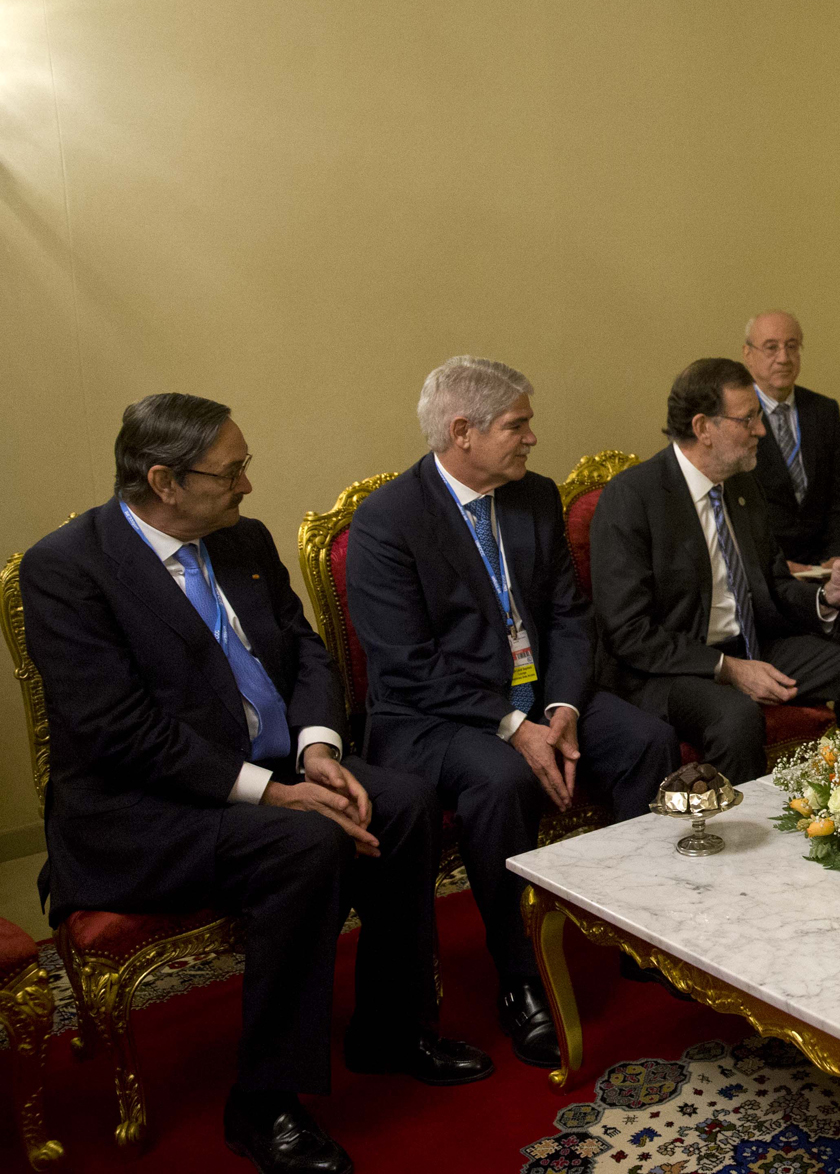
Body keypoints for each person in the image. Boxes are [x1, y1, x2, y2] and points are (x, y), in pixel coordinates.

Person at [20, 394, 489, 1174]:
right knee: (305, 842)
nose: (246, 485)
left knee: (399, 801)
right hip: (141, 810)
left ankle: (391, 1029)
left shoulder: (242, 541)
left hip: (271, 766)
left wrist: (316, 750)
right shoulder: (68, 570)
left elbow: (303, 648)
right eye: (232, 470)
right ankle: (263, 1101)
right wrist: (270, 793)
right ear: (164, 479)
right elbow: (117, 730)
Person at [343, 357, 680, 1069]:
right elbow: (405, 664)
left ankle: (635, 929)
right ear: (461, 432)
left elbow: (566, 616)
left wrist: (558, 707)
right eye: (517, 425)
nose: (532, 437)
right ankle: (520, 978)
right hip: (434, 716)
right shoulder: (388, 522)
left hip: (540, 694)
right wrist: (514, 726)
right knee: (501, 781)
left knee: (647, 739)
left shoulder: (533, 498)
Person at [588, 357, 840, 784]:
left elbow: (774, 586)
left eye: (758, 417)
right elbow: (629, 632)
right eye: (748, 420)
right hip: (673, 669)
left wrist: (827, 597)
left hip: (755, 645)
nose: (761, 430)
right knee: (735, 715)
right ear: (704, 427)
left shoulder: (743, 486)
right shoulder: (634, 497)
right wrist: (728, 669)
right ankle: (738, 844)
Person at [742, 310, 840, 570]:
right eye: (771, 348)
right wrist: (775, 565)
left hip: (823, 567)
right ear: (748, 354)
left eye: (791, 347)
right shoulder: (735, 416)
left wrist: (838, 556)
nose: (783, 358)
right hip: (763, 569)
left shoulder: (824, 410)